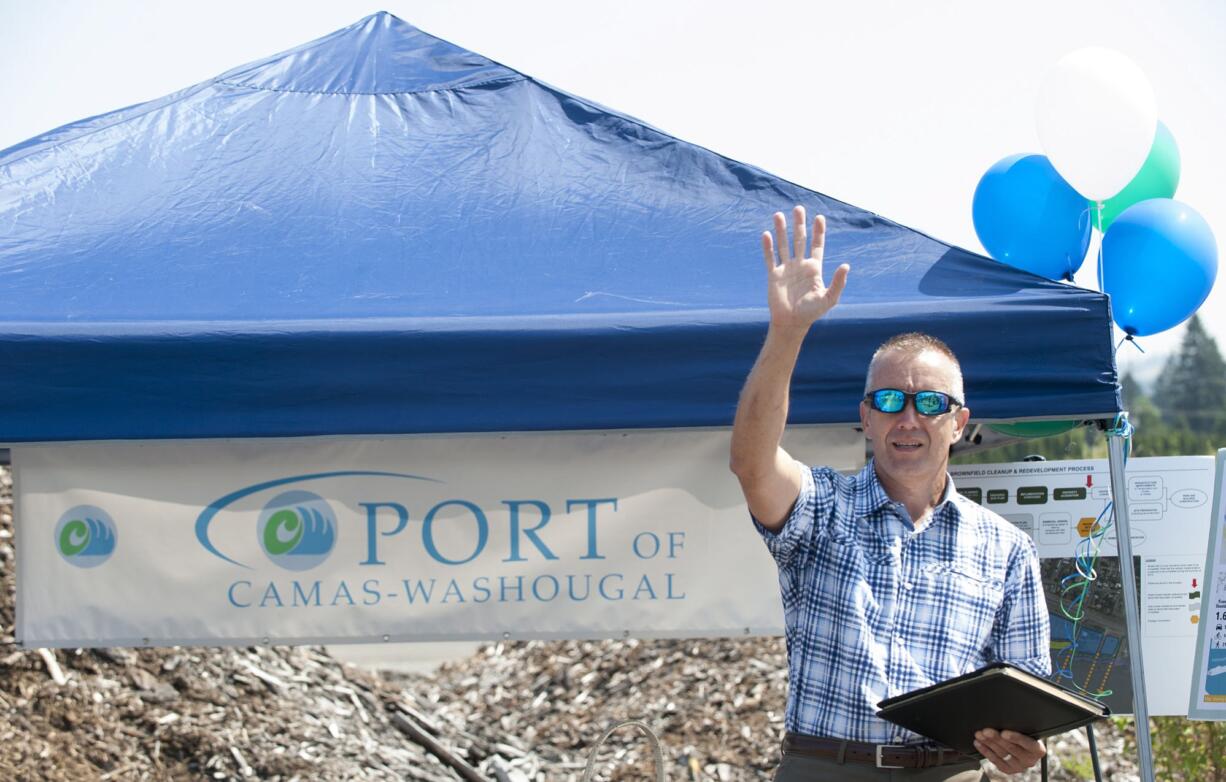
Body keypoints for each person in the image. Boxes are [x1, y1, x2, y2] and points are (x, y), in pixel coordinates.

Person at [730, 206, 1051, 780]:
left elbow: (1028, 696)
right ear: (865, 419)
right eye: (888, 402)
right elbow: (752, 466)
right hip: (827, 766)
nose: (908, 418)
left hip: (950, 771)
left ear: (959, 423)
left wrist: (1022, 747)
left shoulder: (1007, 549)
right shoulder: (822, 507)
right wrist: (788, 332)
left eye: (930, 403)